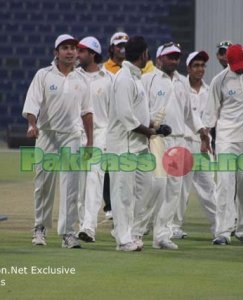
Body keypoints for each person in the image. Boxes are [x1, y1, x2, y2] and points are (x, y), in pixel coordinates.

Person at [22, 34, 93, 248]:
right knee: (43, 184)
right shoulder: (43, 75)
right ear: (56, 52)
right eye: (65, 48)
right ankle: (40, 228)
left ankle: (68, 234)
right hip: (47, 134)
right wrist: (32, 125)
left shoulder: (82, 80)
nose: (70, 52)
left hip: (72, 136)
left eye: (73, 48)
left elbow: (87, 113)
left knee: (72, 185)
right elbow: (33, 104)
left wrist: (90, 142)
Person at [142, 42, 206, 249]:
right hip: (157, 138)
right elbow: (140, 109)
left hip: (179, 140)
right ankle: (139, 228)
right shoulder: (148, 79)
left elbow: (189, 113)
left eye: (176, 57)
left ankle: (162, 234)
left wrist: (201, 130)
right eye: (170, 56)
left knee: (174, 190)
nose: (174, 60)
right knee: (156, 187)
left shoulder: (182, 83)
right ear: (159, 58)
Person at [107, 36, 167, 251]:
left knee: (150, 188)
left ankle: (131, 232)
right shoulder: (123, 78)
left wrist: (156, 126)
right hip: (123, 147)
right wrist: (150, 131)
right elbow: (126, 118)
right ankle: (123, 240)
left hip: (139, 146)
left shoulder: (136, 78)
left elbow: (140, 114)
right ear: (144, 54)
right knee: (122, 194)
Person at [202, 44, 243, 246]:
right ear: (228, 62)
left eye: (242, 64)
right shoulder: (220, 80)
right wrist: (205, 138)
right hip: (225, 139)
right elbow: (210, 113)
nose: (240, 69)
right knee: (224, 185)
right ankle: (223, 232)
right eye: (235, 65)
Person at [172, 51, 216, 238]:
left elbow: (211, 117)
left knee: (209, 188)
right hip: (184, 142)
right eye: (196, 65)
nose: (200, 69)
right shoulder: (180, 88)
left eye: (202, 65)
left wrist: (206, 139)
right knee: (180, 190)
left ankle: (219, 226)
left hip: (203, 144)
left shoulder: (209, 90)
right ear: (188, 68)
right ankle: (173, 227)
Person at [76, 36, 111, 243]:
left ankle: (89, 226)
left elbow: (113, 112)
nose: (77, 55)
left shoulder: (108, 79)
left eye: (81, 51)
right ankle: (82, 225)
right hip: (76, 134)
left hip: (100, 134)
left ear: (92, 54)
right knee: (79, 183)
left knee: (94, 179)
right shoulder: (74, 76)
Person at [101, 31, 129, 220]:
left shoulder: (131, 68)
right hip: (109, 122)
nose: (122, 49)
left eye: (126, 45)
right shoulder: (104, 69)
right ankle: (109, 205)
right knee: (109, 166)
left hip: (127, 122)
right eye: (119, 45)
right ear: (112, 48)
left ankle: (124, 204)